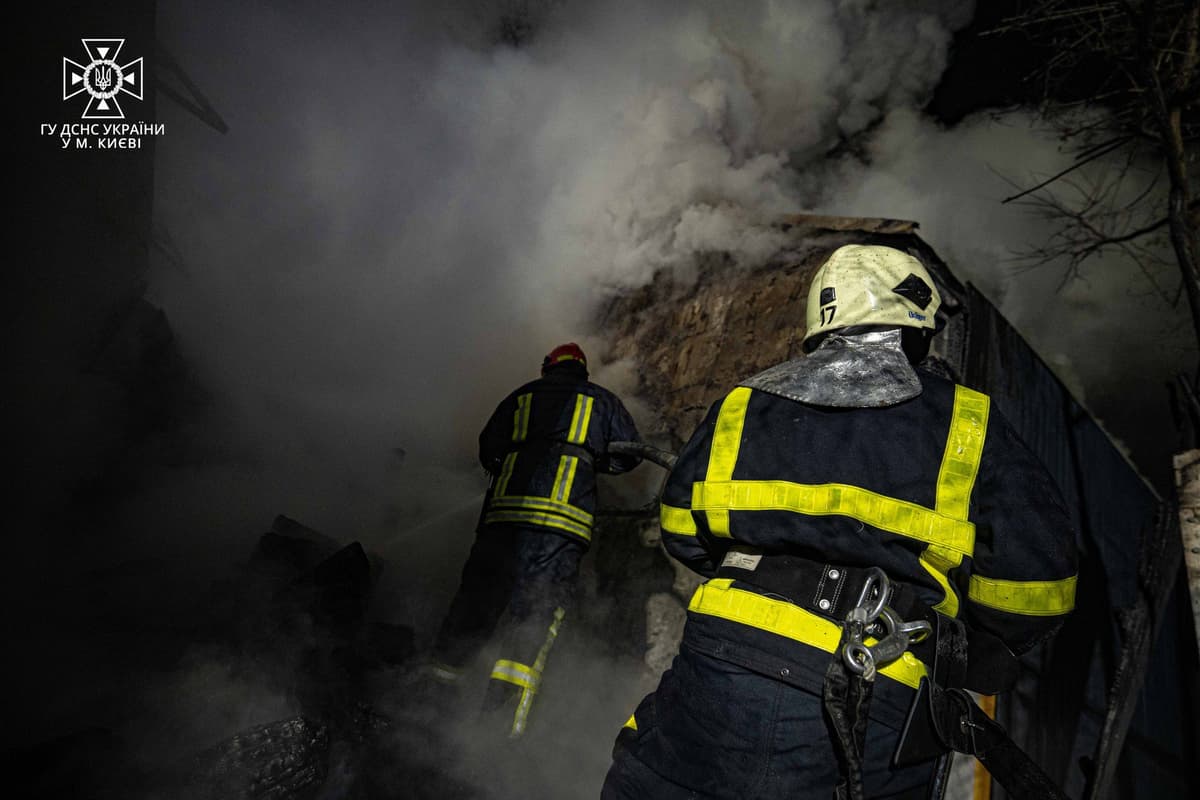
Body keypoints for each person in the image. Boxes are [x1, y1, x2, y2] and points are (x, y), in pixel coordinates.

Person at [601, 245, 1078, 799]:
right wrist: (973, 637)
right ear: (917, 330)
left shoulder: (741, 402)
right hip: (877, 679)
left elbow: (681, 527)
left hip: (720, 660)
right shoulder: (969, 420)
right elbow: (1038, 591)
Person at [431, 342, 642, 738]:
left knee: (473, 607)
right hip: (559, 530)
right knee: (532, 621)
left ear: (548, 368)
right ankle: (497, 729)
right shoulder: (603, 401)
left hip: (504, 522)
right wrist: (592, 460)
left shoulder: (522, 395)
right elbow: (629, 454)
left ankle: (432, 703)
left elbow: (488, 448)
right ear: (583, 371)